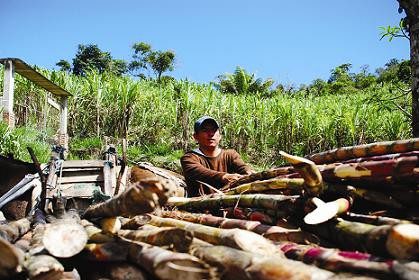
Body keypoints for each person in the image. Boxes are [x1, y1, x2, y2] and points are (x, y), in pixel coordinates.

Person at [181, 116, 254, 197]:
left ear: (219, 136)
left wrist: (251, 174)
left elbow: (243, 168)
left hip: (228, 202)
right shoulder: (189, 158)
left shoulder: (230, 155)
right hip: (199, 205)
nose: (211, 134)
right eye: (205, 130)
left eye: (214, 130)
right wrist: (223, 177)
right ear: (195, 137)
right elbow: (199, 172)